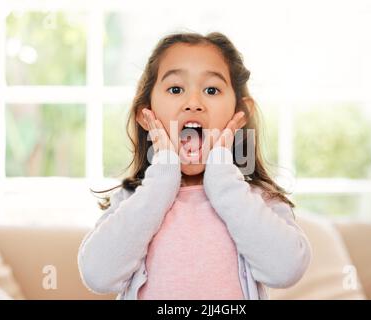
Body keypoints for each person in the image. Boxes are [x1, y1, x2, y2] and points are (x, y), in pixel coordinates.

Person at [78, 31, 312, 300]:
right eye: (175, 89)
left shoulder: (255, 200)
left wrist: (223, 180)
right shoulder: (134, 200)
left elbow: (286, 269)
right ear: (146, 115)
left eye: (211, 90)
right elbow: (98, 274)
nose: (193, 103)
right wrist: (162, 181)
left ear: (240, 114)